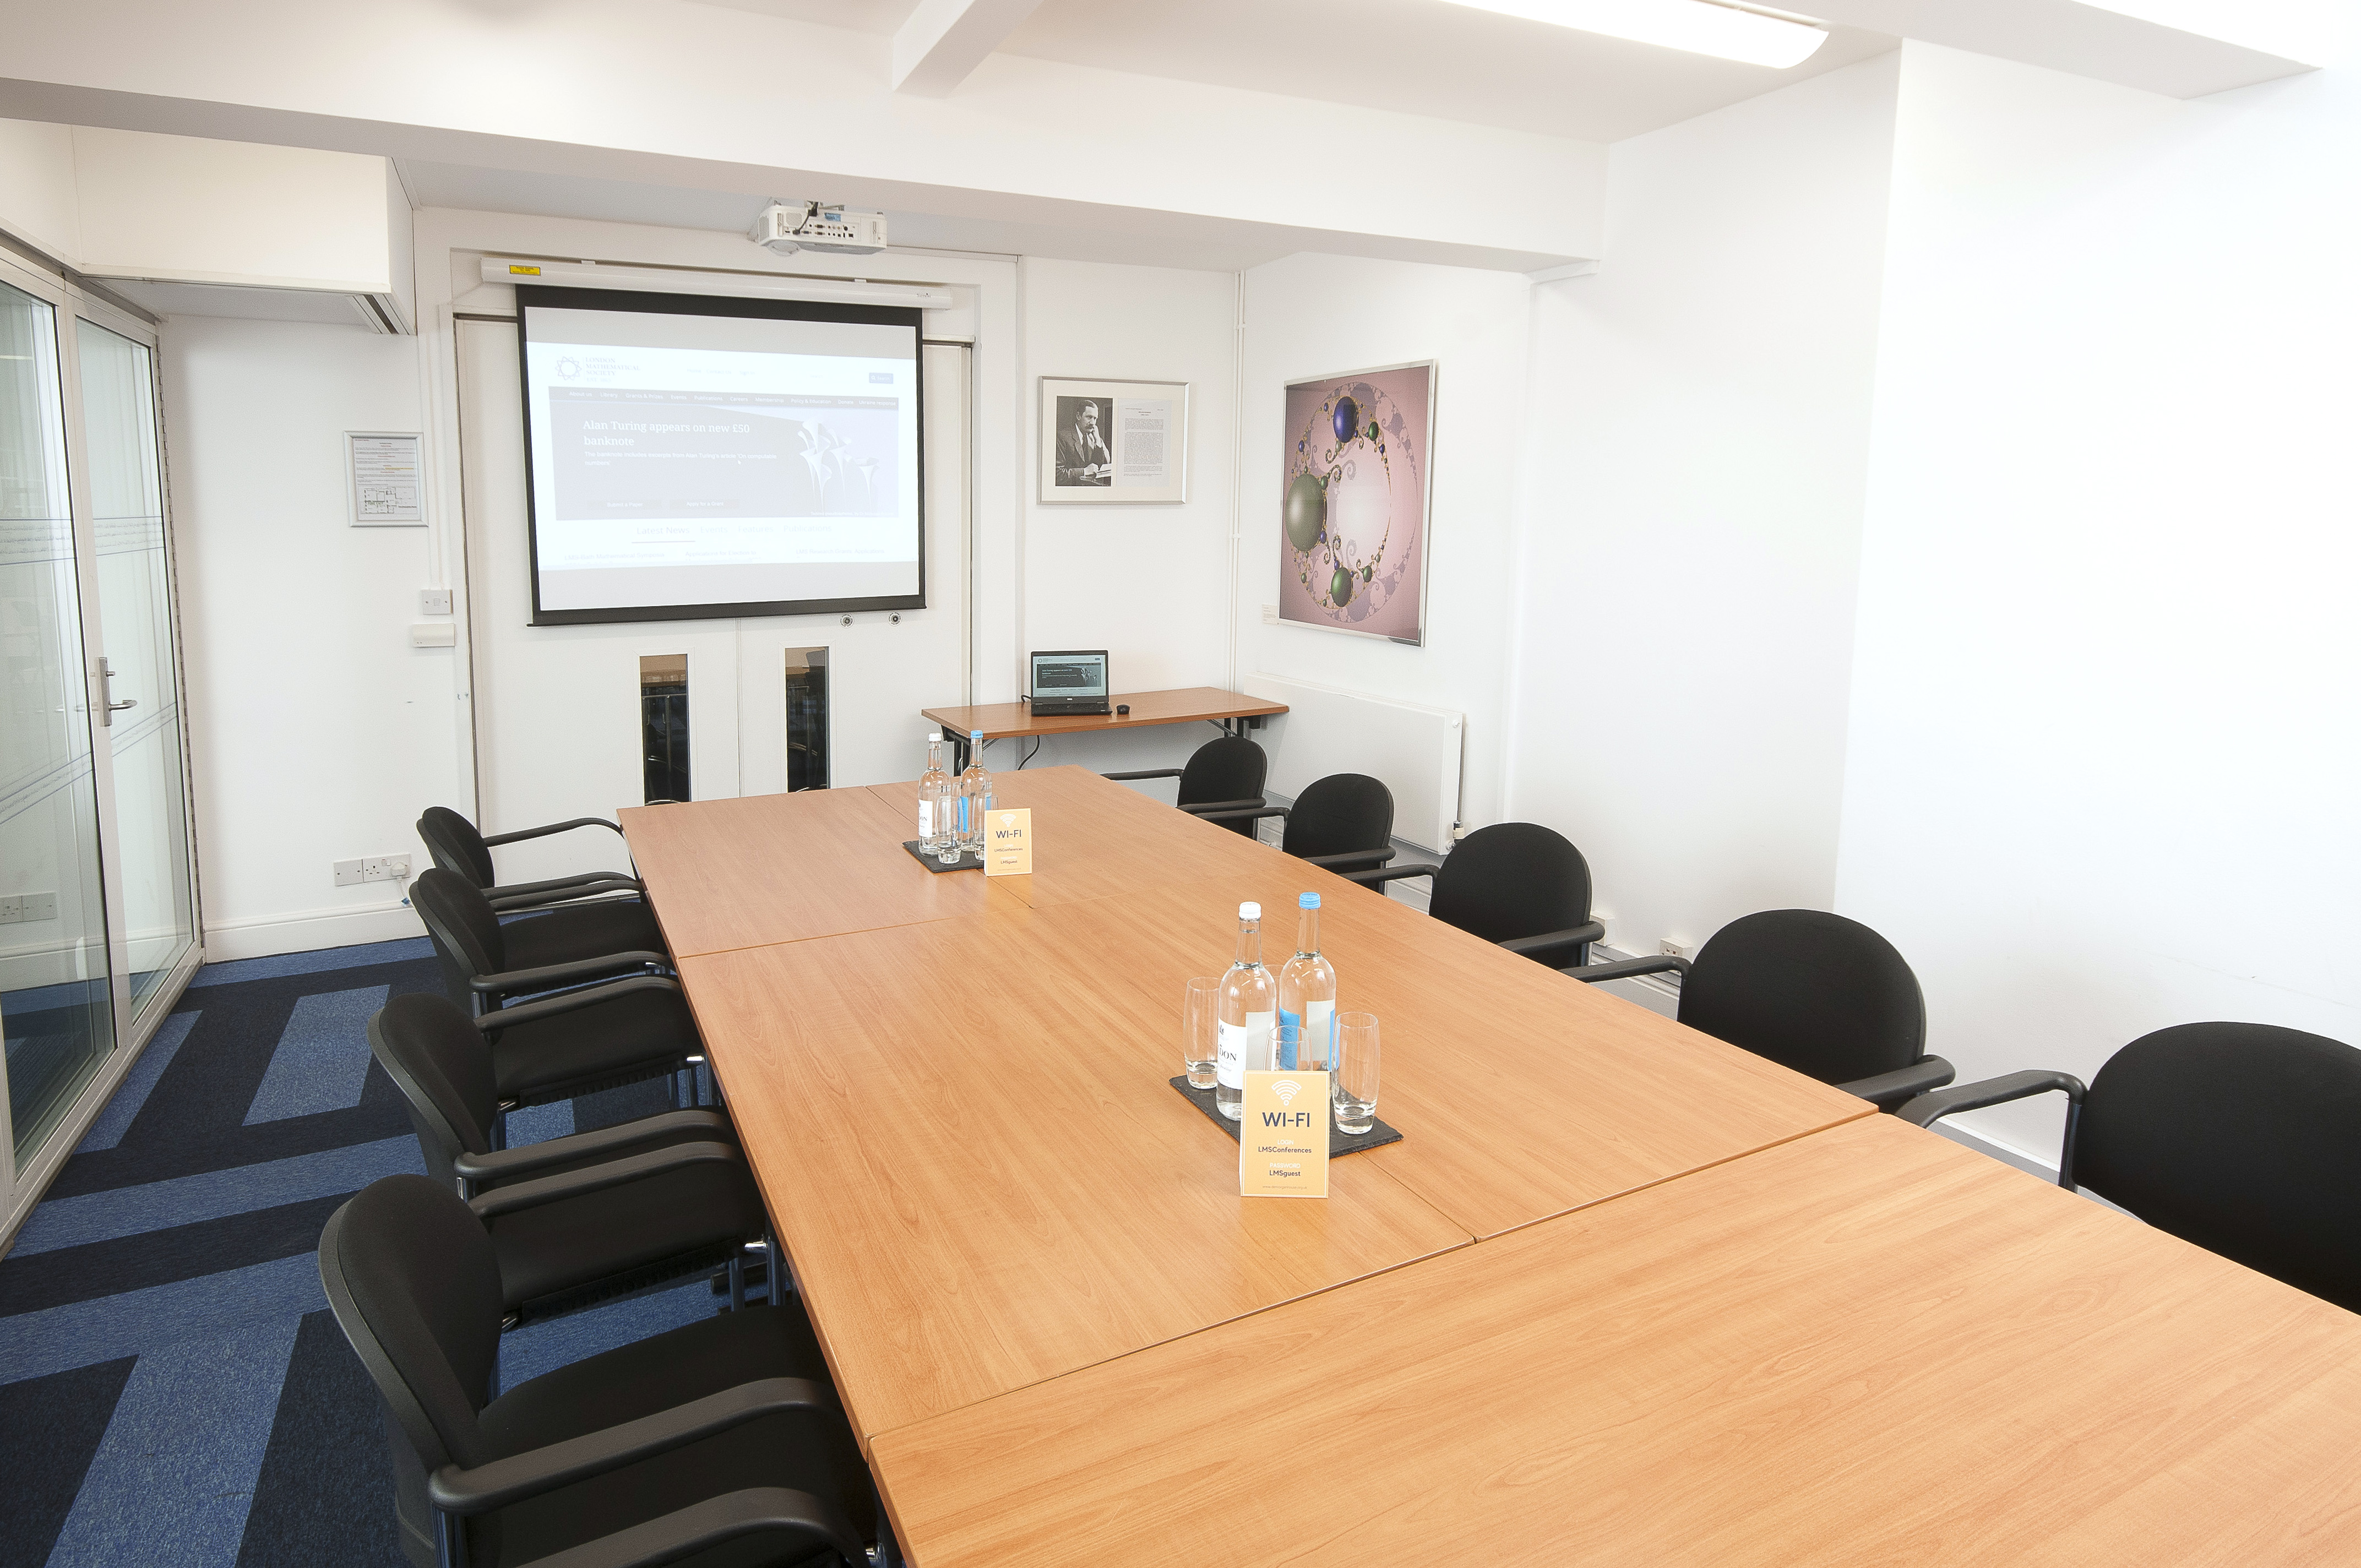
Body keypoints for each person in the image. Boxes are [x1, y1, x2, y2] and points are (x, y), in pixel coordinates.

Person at [1056, 400, 1113, 485]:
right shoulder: (1063, 437)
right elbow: (1057, 474)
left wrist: (1098, 441)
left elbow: (1106, 463)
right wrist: (1084, 471)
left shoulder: (1093, 437)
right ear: (1079, 416)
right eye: (1089, 417)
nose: (1093, 423)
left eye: (1095, 419)